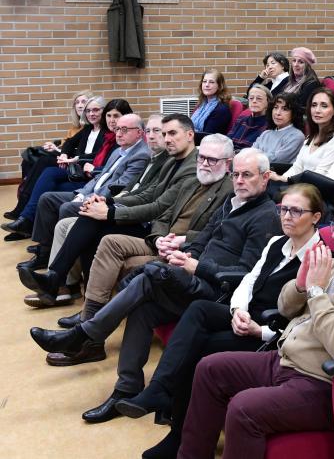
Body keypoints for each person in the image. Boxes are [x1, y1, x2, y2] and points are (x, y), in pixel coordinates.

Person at [30, 149, 283, 423]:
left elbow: (247, 273)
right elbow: (203, 240)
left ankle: (86, 333)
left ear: (266, 177)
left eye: (247, 175)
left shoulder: (265, 216)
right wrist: (186, 255)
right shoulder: (231, 202)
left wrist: (197, 266)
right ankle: (125, 389)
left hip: (220, 294)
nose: (239, 180)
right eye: (236, 174)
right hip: (195, 277)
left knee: (151, 273)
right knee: (144, 309)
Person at [177, 193, 334, 459]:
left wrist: (315, 291)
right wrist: (300, 286)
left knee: (244, 408)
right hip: (287, 360)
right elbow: (285, 309)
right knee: (210, 369)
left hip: (327, 384)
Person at [106, 185, 325, 459]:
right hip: (247, 315)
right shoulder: (277, 242)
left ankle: (178, 435)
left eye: (296, 211)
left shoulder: (321, 258)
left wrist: (262, 331)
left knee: (199, 349)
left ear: (316, 217)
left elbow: (305, 318)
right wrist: (238, 310)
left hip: (271, 333)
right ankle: (159, 391)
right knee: (199, 309)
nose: (287, 216)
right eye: (283, 209)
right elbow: (249, 281)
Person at [38, 138, 231, 364]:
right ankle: (87, 325)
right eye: (202, 157)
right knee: (109, 241)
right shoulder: (191, 181)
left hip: (184, 252)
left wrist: (179, 240)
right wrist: (159, 238)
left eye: (212, 160)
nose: (204, 163)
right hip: (159, 242)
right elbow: (163, 214)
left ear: (228, 164)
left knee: (111, 242)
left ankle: (87, 340)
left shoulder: (229, 191)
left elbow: (216, 234)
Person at [20, 115, 203, 314]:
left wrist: (110, 213)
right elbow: (147, 193)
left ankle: (62, 284)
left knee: (95, 223)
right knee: (91, 219)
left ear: (190, 134)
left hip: (158, 230)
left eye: (171, 133)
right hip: (147, 220)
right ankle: (72, 292)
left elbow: (158, 207)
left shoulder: (191, 167)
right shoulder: (172, 159)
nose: (166, 138)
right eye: (164, 133)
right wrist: (107, 202)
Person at [17, 114, 151, 274]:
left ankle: (67, 268)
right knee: (48, 198)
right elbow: (99, 178)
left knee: (67, 207)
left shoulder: (141, 155)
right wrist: (82, 194)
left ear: (139, 133)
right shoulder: (118, 151)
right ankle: (44, 252)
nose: (119, 134)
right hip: (90, 193)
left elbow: (118, 187)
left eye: (124, 129)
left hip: (103, 200)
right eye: (117, 129)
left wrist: (86, 198)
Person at [3, 95, 116, 237]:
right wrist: (64, 154)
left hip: (86, 172)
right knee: (44, 170)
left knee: (48, 174)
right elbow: (69, 143)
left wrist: (76, 158)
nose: (91, 114)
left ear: (103, 111)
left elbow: (99, 156)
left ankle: (26, 219)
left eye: (95, 110)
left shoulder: (108, 133)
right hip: (74, 168)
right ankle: (26, 222)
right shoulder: (87, 129)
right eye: (88, 111)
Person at [270, 89, 334, 184]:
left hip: (317, 192)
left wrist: (285, 180)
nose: (317, 110)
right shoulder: (310, 137)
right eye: (314, 105)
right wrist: (281, 179)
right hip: (300, 187)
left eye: (324, 106)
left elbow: (320, 175)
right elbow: (297, 167)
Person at [252, 92, 306, 164]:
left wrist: (252, 158)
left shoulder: (297, 136)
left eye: (285, 109)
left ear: (294, 113)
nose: (278, 113)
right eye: (275, 107)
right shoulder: (266, 133)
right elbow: (250, 152)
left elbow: (276, 160)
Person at [227, 85, 271, 150]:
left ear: (268, 102)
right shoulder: (241, 119)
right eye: (251, 98)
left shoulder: (269, 126)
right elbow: (227, 141)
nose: (254, 101)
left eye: (259, 98)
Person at [192, 69, 232, 135]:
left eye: (211, 82)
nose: (207, 85)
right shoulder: (203, 104)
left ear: (219, 86)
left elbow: (206, 136)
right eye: (204, 81)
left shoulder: (221, 110)